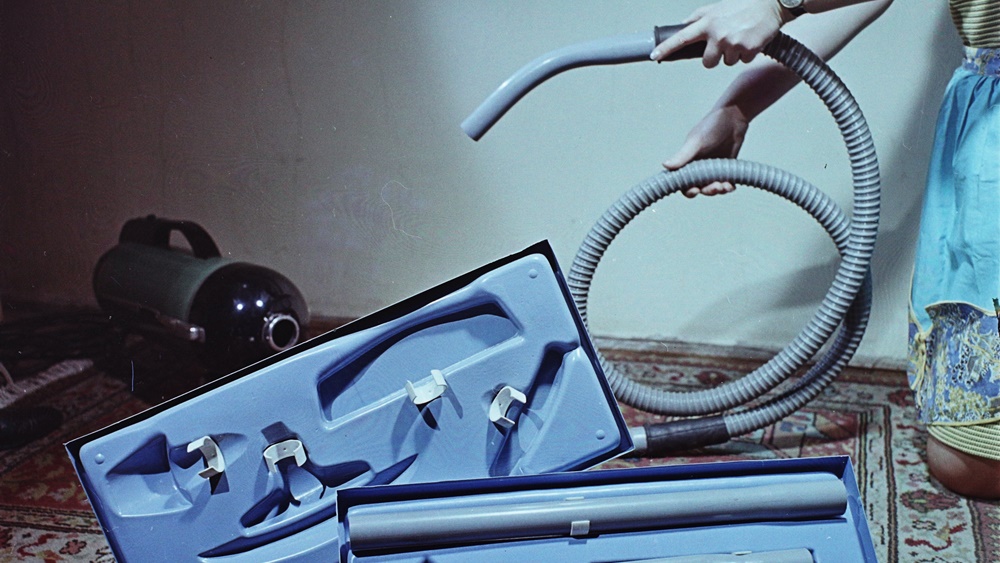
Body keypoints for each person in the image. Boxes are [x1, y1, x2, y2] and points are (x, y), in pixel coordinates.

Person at [652, 0, 1000, 498]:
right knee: (963, 460)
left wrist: (780, 5)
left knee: (971, 465)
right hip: (984, 129)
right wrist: (736, 108)